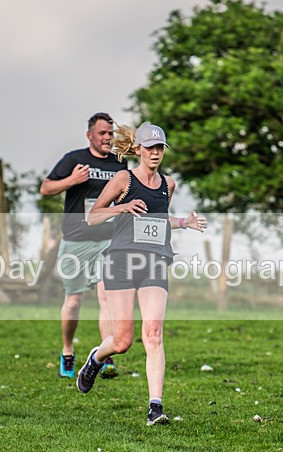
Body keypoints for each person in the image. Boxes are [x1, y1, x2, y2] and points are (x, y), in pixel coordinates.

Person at [80, 122, 207, 425]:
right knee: (122, 341)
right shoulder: (123, 179)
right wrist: (121, 208)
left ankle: (156, 407)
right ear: (137, 149)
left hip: (155, 261)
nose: (155, 153)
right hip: (121, 262)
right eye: (150, 147)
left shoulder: (168, 184)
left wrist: (183, 223)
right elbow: (92, 217)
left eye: (160, 147)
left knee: (153, 333)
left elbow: (157, 220)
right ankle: (96, 358)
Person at [40, 112, 127, 379]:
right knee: (74, 300)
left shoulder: (118, 165)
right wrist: (72, 181)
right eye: (102, 133)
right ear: (89, 135)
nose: (107, 138)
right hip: (76, 240)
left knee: (106, 296)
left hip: (107, 240)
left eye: (110, 133)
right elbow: (46, 188)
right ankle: (67, 351)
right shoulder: (74, 159)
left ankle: (106, 356)